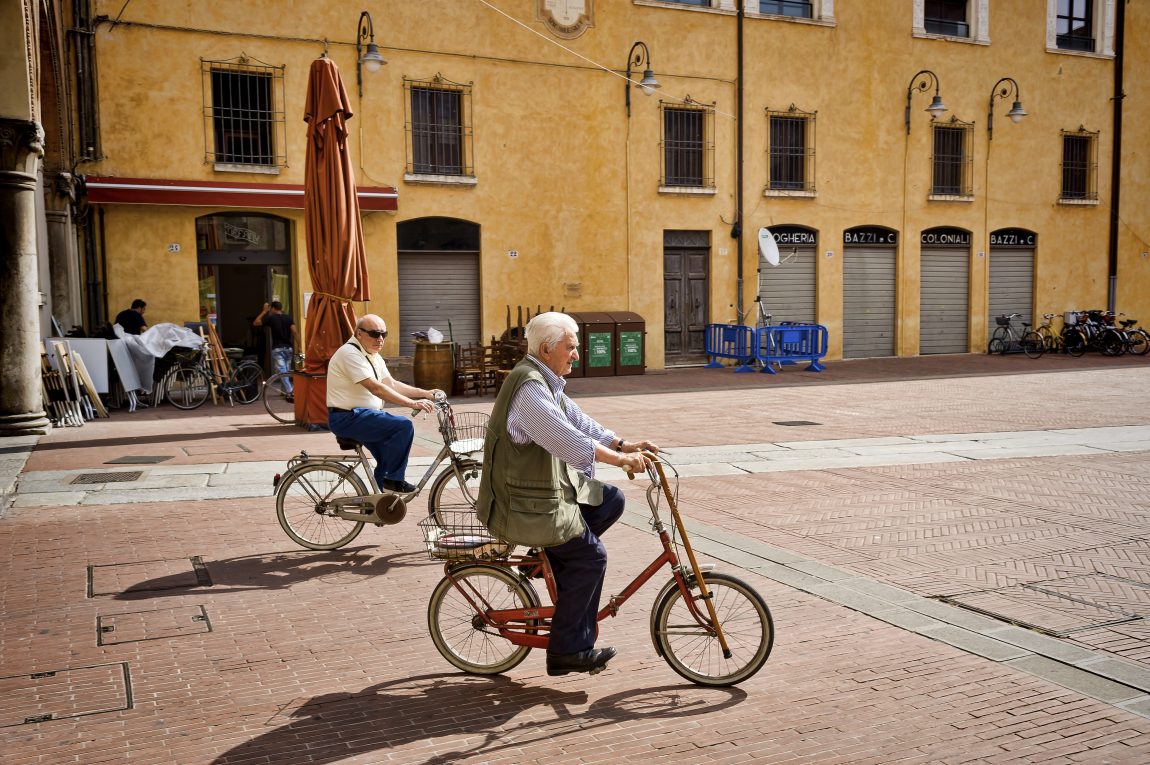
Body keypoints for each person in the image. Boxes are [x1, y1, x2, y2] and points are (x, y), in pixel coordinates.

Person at [476, 312, 658, 677]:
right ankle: (568, 650)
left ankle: (551, 557)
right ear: (546, 349)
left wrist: (622, 443)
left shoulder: (544, 379)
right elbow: (567, 439)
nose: (577, 354)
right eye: (570, 347)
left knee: (611, 500)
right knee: (591, 558)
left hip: (538, 495)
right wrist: (621, 460)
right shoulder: (529, 389)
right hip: (522, 504)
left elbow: (578, 420)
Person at [326, 314, 441, 494]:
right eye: (374, 334)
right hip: (347, 417)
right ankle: (394, 481)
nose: (380, 339)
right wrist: (412, 404)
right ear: (359, 334)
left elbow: (391, 384)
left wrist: (425, 393)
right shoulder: (349, 354)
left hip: (364, 416)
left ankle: (382, 503)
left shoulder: (373, 355)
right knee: (403, 426)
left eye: (383, 334)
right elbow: (377, 388)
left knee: (389, 457)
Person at [254, 301, 299, 398]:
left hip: (278, 349)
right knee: (286, 371)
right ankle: (285, 392)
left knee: (282, 372)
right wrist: (299, 346)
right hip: (288, 349)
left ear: (273, 308)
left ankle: (290, 391)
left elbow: (256, 323)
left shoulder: (271, 318)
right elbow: (295, 332)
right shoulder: (288, 318)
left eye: (271, 309)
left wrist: (264, 311)